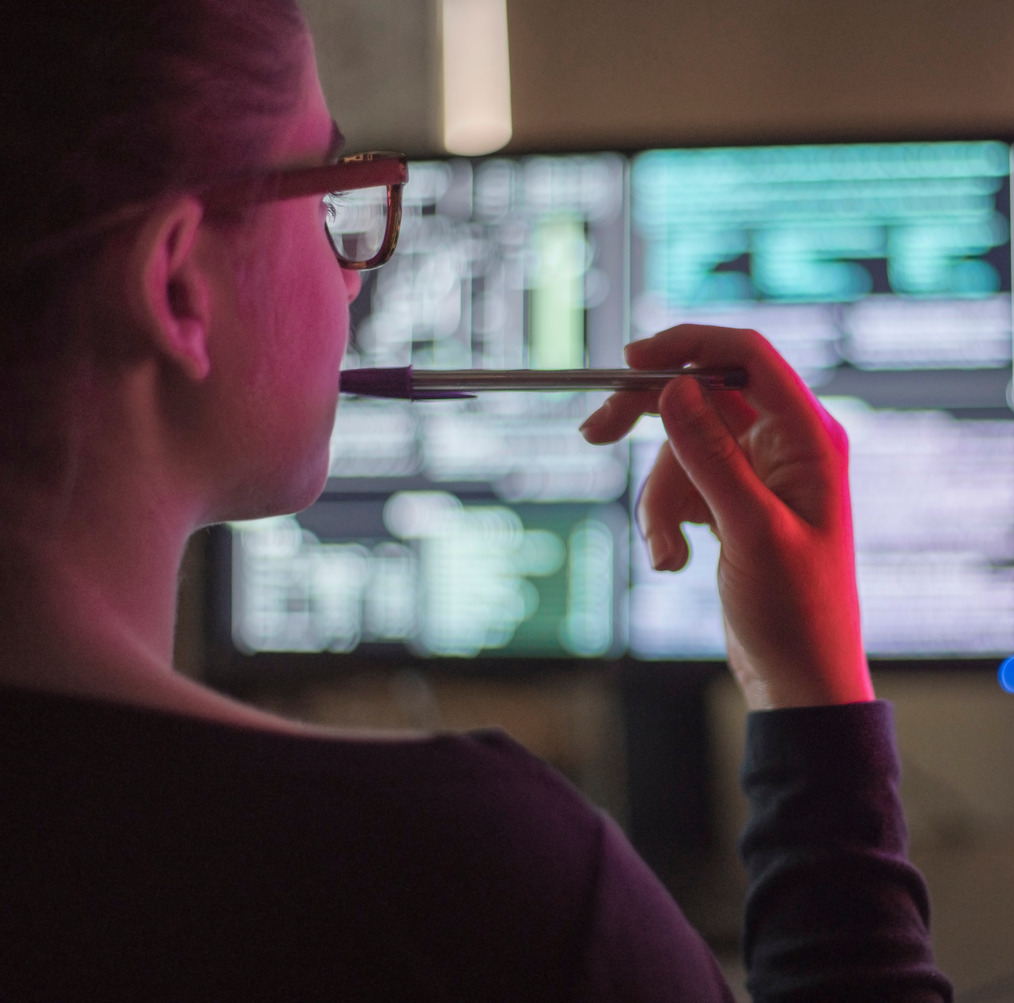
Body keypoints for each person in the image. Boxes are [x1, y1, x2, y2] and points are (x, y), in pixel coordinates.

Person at [0, 4, 952, 1000]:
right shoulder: (467, 878)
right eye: (330, 196)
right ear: (179, 286)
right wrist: (815, 691)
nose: (354, 279)